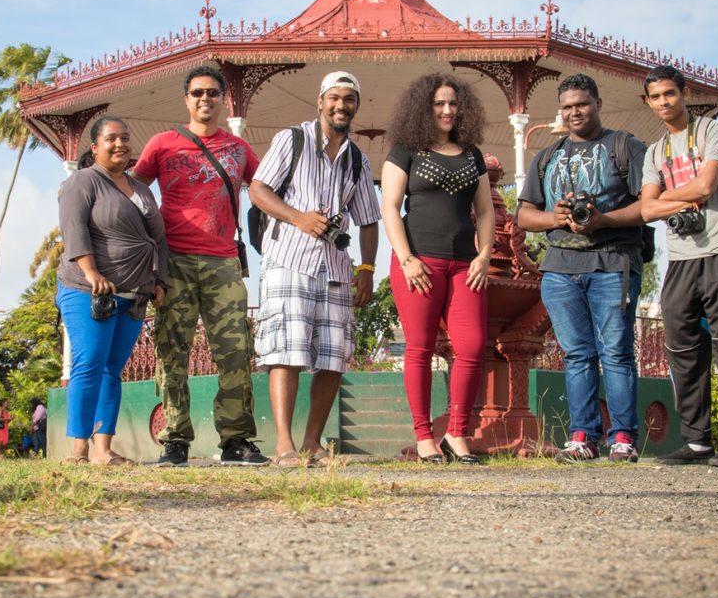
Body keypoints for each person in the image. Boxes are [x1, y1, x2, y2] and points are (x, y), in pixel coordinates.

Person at [132, 64, 268, 467]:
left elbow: (265, 189)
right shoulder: (163, 143)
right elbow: (133, 193)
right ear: (186, 99)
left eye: (212, 93)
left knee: (235, 350)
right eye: (197, 93)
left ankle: (235, 440)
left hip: (224, 262)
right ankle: (175, 439)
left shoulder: (239, 149)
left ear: (224, 100)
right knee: (172, 352)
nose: (205, 99)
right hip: (174, 260)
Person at [249, 70, 381, 467]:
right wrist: (298, 218)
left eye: (349, 99)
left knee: (333, 356)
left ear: (356, 105)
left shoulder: (357, 159)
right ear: (320, 101)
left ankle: (311, 443)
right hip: (289, 259)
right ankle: (284, 445)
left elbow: (369, 219)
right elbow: (258, 190)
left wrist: (368, 268)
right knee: (286, 350)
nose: (341, 105)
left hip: (336, 267)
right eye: (334, 98)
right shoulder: (292, 140)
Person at [517, 74, 648, 463]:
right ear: (561, 111)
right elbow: (524, 215)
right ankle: (583, 436)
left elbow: (649, 205)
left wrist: (602, 220)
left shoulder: (625, 147)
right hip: (560, 267)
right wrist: (555, 218)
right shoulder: (546, 156)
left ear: (598, 103)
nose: (576, 111)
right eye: (568, 106)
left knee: (617, 352)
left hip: (613, 263)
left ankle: (622, 436)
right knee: (576, 355)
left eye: (583, 104)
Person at [639, 65, 718, 468]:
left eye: (670, 93)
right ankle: (697, 440)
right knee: (682, 349)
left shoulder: (710, 132)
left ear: (683, 93)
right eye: (655, 97)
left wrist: (667, 197)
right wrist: (674, 201)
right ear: (649, 102)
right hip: (681, 260)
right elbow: (646, 208)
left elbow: (706, 186)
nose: (664, 102)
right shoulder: (656, 152)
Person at [379, 72, 494, 465]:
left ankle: (457, 433)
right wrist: (406, 259)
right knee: (420, 349)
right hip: (419, 265)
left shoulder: (471, 153)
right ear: (424, 108)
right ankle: (425, 436)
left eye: (453, 103)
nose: (447, 110)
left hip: (465, 265)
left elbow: (485, 210)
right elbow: (390, 207)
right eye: (439, 103)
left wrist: (484, 255)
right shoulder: (406, 150)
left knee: (473, 346)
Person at [56, 115, 169, 466]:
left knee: (111, 370)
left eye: (125, 138)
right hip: (88, 291)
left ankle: (103, 450)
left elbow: (159, 239)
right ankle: (78, 450)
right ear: (95, 147)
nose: (120, 144)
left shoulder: (142, 190)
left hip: (134, 294)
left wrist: (159, 281)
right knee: (89, 363)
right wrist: (91, 272)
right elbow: (74, 228)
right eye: (111, 139)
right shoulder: (83, 182)